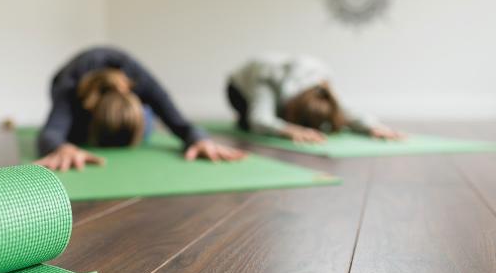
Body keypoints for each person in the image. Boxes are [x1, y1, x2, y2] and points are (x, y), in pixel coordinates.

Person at [36, 47, 246, 171]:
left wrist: (200, 139)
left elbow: (179, 123)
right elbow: (52, 132)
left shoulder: (141, 81)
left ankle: (136, 120)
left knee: (144, 125)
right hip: (78, 100)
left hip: (128, 98)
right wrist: (62, 148)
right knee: (75, 137)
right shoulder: (70, 89)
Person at [226, 54, 403, 143]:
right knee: (249, 123)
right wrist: (288, 129)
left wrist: (373, 127)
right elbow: (260, 120)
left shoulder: (321, 84)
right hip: (239, 89)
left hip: (285, 93)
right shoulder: (268, 78)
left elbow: (347, 111)